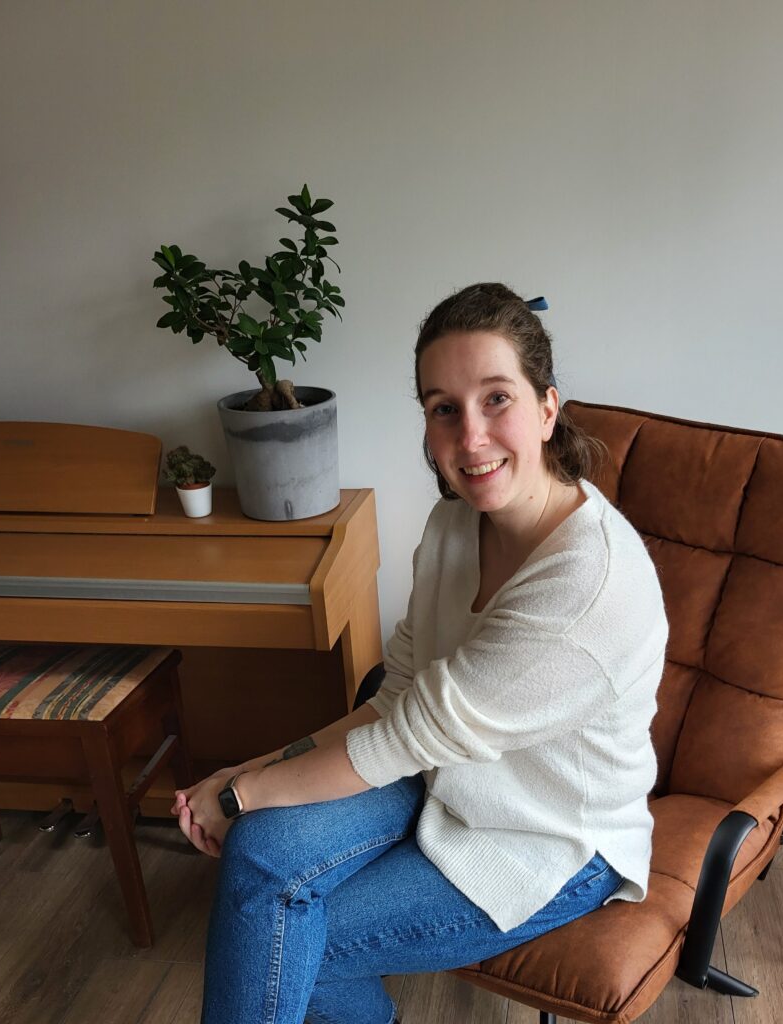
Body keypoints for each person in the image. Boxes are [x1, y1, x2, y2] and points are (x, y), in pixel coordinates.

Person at [174, 282, 668, 1024]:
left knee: (285, 934)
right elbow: (397, 692)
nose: (470, 437)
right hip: (442, 777)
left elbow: (405, 735)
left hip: (549, 841)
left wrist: (237, 795)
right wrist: (249, 774)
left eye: (496, 398)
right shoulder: (452, 524)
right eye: (443, 409)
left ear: (546, 408)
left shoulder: (585, 583)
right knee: (261, 855)